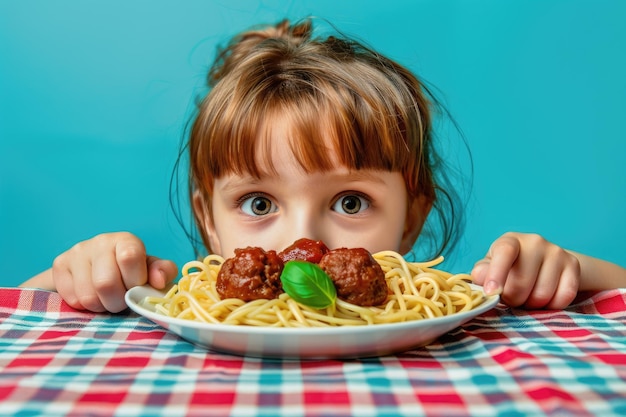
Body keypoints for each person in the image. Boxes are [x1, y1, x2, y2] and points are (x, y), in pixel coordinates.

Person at [20, 18, 626, 313]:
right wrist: (72, 277)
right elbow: (17, 313)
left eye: (351, 202)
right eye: (258, 204)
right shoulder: (186, 305)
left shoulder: (441, 305)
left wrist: (568, 270)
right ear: (208, 219)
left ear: (414, 216)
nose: (303, 242)